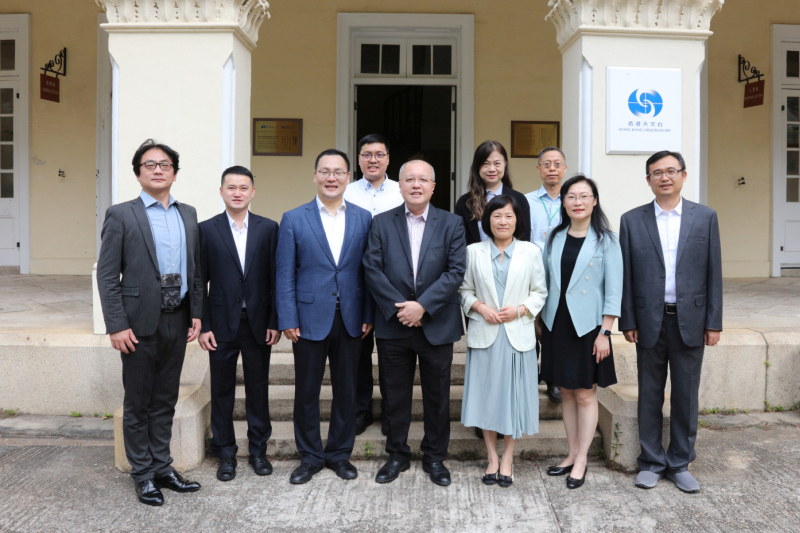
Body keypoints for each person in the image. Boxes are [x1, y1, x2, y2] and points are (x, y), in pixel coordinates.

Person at [97, 139, 203, 506]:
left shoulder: (188, 214)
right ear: (138, 173)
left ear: (174, 171)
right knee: (138, 402)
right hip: (138, 324)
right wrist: (116, 324)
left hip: (179, 320)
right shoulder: (122, 214)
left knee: (165, 400)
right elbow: (108, 275)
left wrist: (198, 314)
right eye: (149, 165)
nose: (158, 170)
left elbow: (196, 270)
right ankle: (142, 474)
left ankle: (163, 467)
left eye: (164, 165)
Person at [619, 150, 722, 494]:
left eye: (671, 171)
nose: (664, 177)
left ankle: (679, 462)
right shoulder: (632, 220)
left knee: (685, 395)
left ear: (683, 175)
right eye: (656, 173)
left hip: (690, 319)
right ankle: (650, 461)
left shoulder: (704, 217)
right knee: (650, 393)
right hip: (649, 319)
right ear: (648, 180)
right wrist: (628, 319)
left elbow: (714, 274)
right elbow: (627, 276)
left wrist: (713, 322)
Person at [363, 160, 466, 487]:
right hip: (394, 326)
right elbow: (372, 270)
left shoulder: (452, 223)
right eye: (410, 179)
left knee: (438, 397)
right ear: (400, 185)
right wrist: (400, 310)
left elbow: (455, 271)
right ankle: (397, 455)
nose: (416, 185)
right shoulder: (380, 223)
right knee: (394, 396)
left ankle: (436, 458)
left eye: (423, 179)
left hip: (437, 324)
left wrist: (422, 306)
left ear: (434, 186)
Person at [276, 149, 374, 485]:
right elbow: (285, 273)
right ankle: (310, 456)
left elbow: (369, 273)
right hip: (306, 319)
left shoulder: (363, 218)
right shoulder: (293, 218)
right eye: (325, 171)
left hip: (351, 317)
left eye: (338, 172)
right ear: (315, 176)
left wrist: (368, 313)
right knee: (307, 391)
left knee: (347, 391)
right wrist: (287, 316)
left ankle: (338, 454)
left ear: (349, 177)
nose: (331, 178)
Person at [538, 175, 622, 490]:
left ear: (594, 201)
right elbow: (546, 281)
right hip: (556, 323)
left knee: (586, 393)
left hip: (588, 327)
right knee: (567, 391)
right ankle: (571, 453)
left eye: (584, 196)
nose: (577, 201)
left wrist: (605, 332)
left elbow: (614, 291)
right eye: (571, 196)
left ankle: (583, 458)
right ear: (564, 202)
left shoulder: (607, 240)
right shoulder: (555, 236)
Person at [198, 166, 280, 482]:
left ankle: (258, 451)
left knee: (258, 390)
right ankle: (226, 455)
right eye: (231, 187)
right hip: (220, 325)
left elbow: (275, 279)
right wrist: (204, 325)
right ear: (221, 192)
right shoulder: (206, 230)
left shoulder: (269, 228)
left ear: (252, 192)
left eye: (243, 188)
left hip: (258, 324)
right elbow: (198, 281)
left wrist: (275, 320)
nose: (237, 192)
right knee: (222, 393)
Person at [459, 195, 547, 488]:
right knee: (487, 398)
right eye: (497, 216)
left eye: (509, 216)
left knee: (512, 399)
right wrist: (479, 307)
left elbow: (540, 292)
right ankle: (491, 458)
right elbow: (463, 289)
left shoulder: (531, 252)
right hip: (484, 334)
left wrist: (520, 310)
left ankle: (508, 457)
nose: (503, 221)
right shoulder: (473, 251)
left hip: (517, 335)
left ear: (517, 220)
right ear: (488, 220)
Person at [343, 134, 404, 436]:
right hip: (356, 281)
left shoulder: (401, 190)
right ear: (359, 159)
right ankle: (361, 409)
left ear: (388, 159)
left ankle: (393, 411)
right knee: (359, 350)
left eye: (379, 154)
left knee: (394, 351)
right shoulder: (347, 192)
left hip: (396, 284)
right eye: (367, 154)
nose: (373, 160)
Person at [526, 146, 569, 404]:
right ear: (539, 169)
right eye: (547, 164)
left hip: (562, 272)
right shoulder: (526, 200)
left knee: (554, 327)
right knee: (530, 325)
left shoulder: (573, 199)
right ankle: (531, 377)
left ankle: (554, 379)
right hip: (531, 272)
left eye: (557, 164)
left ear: (564, 169)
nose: (552, 168)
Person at [455, 140, 531, 245]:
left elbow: (524, 238)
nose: (491, 169)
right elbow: (460, 241)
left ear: (505, 164)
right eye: (485, 164)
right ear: (477, 166)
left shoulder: (519, 199)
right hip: (476, 260)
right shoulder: (465, 202)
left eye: (497, 163)